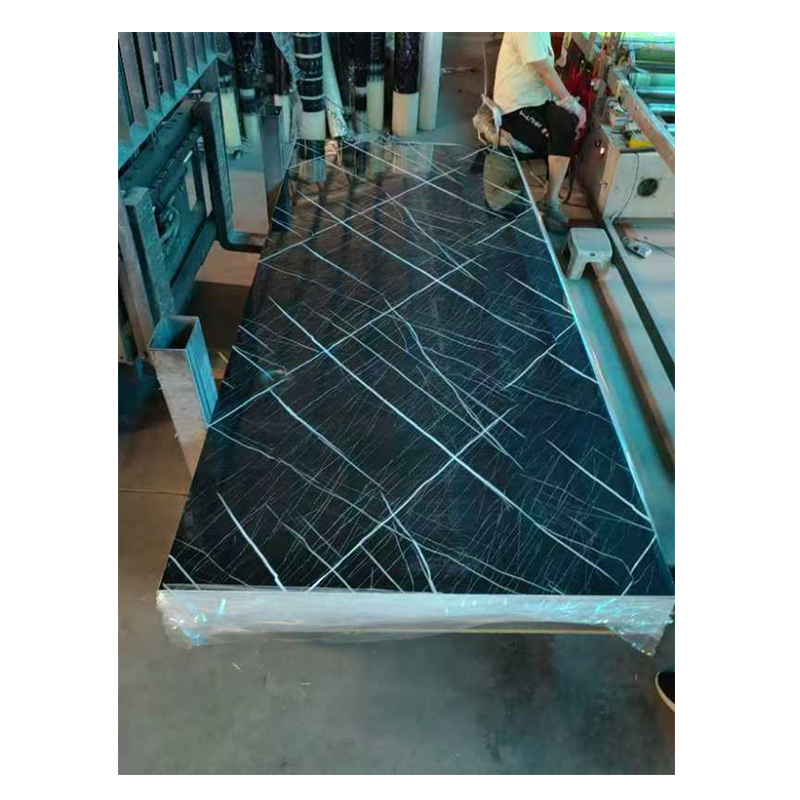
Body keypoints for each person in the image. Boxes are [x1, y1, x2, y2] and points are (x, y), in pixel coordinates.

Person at [493, 33, 587, 232]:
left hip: (538, 102)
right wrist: (572, 104)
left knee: (566, 125)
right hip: (515, 108)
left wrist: (568, 107)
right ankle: (544, 201)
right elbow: (544, 70)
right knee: (556, 142)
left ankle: (550, 200)